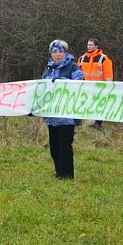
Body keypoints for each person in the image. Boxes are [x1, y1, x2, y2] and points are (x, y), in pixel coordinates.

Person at [41, 39, 85, 180]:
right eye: (55, 52)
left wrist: (63, 83)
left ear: (65, 53)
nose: (58, 54)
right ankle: (58, 172)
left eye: (60, 52)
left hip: (67, 114)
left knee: (65, 145)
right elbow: (42, 86)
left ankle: (67, 174)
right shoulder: (48, 68)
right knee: (54, 147)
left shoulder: (72, 66)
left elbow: (80, 83)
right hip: (52, 114)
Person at [77, 38, 114, 130]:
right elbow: (77, 73)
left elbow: (108, 75)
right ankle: (84, 123)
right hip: (85, 86)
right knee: (84, 103)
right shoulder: (82, 58)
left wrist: (108, 86)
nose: (88, 46)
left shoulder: (104, 58)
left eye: (91, 45)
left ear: (96, 46)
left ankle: (98, 124)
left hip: (99, 87)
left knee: (99, 105)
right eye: (88, 45)